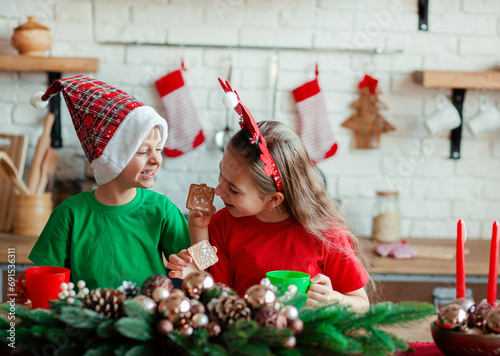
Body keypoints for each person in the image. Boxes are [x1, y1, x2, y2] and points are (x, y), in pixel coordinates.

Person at [167, 79, 370, 312]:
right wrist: (198, 231)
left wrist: (334, 299)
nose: (218, 191)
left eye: (233, 189)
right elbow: (215, 295)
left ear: (273, 199)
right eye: (220, 176)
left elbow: (362, 304)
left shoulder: (326, 234)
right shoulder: (223, 223)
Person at [24, 75, 191, 292]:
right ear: (111, 159)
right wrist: (27, 290)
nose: (156, 159)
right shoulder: (69, 214)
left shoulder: (163, 209)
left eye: (158, 149)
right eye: (143, 151)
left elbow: (198, 267)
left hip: (149, 323)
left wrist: (198, 233)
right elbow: (45, 281)